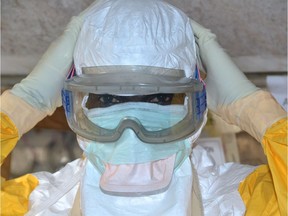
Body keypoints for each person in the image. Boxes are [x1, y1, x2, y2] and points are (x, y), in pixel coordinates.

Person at [1, 0, 286, 215]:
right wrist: (26, 101)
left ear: (198, 104)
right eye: (109, 100)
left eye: (159, 98)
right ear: (75, 106)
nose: (132, 127)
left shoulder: (241, 199)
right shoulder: (37, 203)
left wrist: (253, 106)